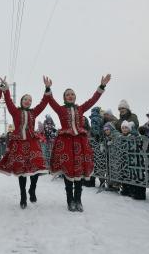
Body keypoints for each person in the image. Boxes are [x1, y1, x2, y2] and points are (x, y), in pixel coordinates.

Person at [49, 74, 111, 212]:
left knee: (79, 173)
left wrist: (102, 86)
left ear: (75, 96)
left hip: (80, 143)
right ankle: (70, 201)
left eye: (72, 94)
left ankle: (78, 200)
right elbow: (50, 100)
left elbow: (93, 100)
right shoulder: (60, 109)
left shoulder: (80, 108)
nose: (70, 96)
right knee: (68, 171)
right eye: (67, 94)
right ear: (64, 97)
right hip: (65, 144)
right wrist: (48, 88)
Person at [0, 76, 51, 209]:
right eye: (25, 99)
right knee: (21, 170)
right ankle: (23, 195)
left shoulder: (34, 112)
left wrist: (47, 88)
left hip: (32, 142)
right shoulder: (15, 111)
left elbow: (44, 103)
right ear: (21, 101)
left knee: (36, 167)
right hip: (19, 143)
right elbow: (8, 101)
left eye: (30, 100)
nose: (28, 101)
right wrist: (6, 89)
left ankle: (32, 188)